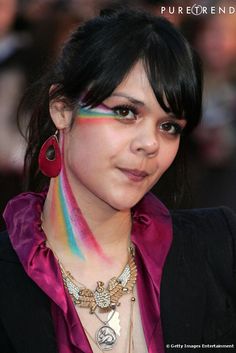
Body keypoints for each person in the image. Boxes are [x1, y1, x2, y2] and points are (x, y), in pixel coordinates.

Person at [0, 7, 236, 353]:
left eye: (169, 126)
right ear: (62, 109)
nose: (150, 143)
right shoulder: (8, 278)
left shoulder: (218, 249)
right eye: (126, 112)